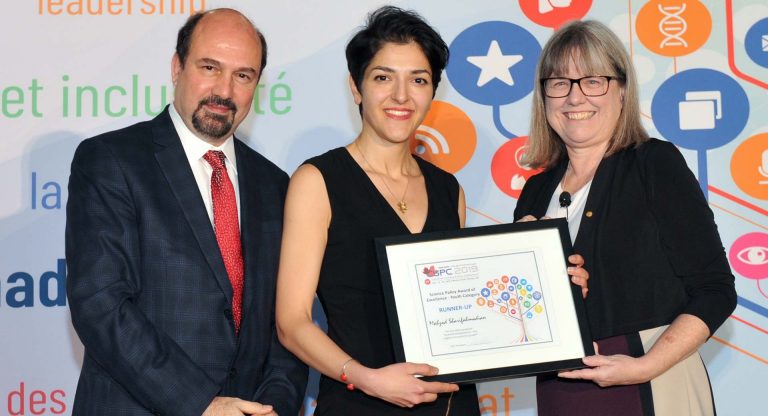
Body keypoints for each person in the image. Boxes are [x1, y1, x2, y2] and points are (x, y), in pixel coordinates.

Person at [65, 8, 307, 416]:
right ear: (177, 67)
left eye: (243, 75)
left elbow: (288, 320)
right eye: (209, 67)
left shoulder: (275, 185)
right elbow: (100, 303)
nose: (224, 90)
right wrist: (201, 405)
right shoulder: (111, 161)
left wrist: (272, 407)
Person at [514, 20, 737, 416]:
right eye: (559, 82)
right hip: (560, 389)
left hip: (652, 378)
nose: (574, 96)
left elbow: (715, 290)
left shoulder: (654, 164)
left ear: (620, 90)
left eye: (593, 80)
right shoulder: (535, 191)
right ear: (543, 96)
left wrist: (645, 366)